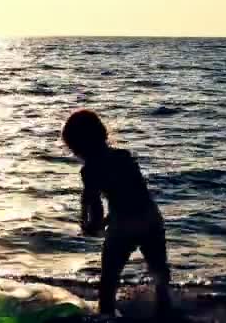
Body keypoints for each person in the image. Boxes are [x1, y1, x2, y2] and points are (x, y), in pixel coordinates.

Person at [61, 109, 172, 317]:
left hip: (123, 227)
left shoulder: (90, 170)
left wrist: (92, 224)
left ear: (78, 146)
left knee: (108, 283)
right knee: (159, 273)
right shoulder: (124, 156)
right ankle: (165, 312)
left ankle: (107, 314)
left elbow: (94, 203)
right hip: (150, 218)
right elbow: (136, 194)